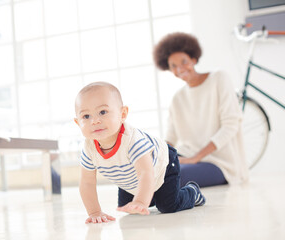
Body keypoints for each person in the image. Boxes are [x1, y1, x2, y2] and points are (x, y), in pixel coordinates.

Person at [74, 82, 205, 224]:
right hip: (132, 178)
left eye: (103, 112)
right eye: (86, 116)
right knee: (127, 207)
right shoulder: (89, 149)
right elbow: (87, 182)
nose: (95, 121)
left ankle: (192, 192)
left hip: (162, 165)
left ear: (122, 114)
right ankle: (151, 195)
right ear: (77, 122)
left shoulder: (132, 141)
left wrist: (141, 201)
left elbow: (146, 173)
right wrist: (94, 212)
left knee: (167, 205)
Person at [153, 32, 249, 188]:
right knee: (145, 175)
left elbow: (231, 125)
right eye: (174, 66)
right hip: (187, 156)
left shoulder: (218, 78)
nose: (180, 69)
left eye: (184, 62)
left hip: (218, 162)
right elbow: (171, 137)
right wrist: (157, 158)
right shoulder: (178, 98)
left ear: (193, 59)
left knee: (170, 179)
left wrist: (196, 158)